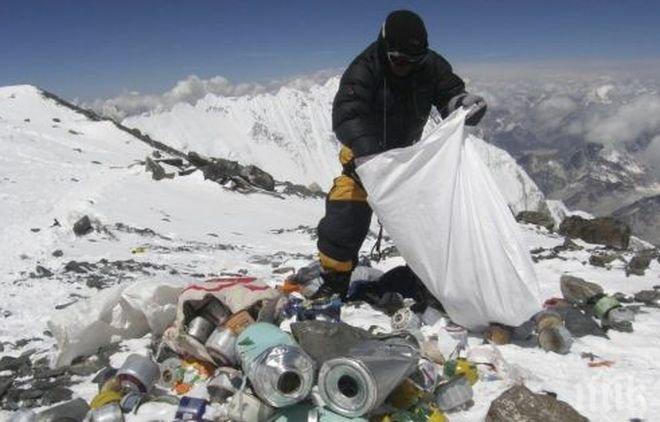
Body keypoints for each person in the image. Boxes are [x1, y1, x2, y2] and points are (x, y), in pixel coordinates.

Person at [314, 10, 487, 299]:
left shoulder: (430, 65)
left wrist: (461, 104)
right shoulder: (364, 69)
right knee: (345, 216)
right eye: (398, 59)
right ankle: (335, 281)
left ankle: (431, 281)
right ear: (384, 47)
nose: (405, 66)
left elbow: (449, 93)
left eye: (413, 60)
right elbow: (348, 114)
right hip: (363, 162)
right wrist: (370, 157)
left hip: (407, 162)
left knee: (432, 220)